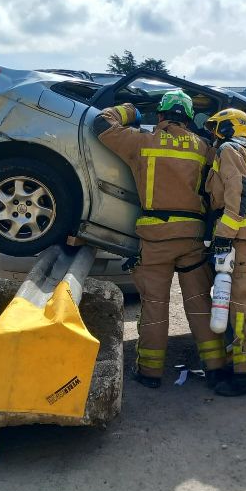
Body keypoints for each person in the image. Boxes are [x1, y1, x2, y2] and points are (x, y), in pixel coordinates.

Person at [93, 90, 225, 389]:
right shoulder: (203, 147)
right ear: (189, 119)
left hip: (156, 238)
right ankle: (216, 368)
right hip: (191, 238)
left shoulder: (142, 141)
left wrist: (132, 108)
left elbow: (101, 124)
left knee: (154, 305)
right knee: (199, 304)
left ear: (162, 115)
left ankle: (150, 373)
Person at [203, 108, 246, 396]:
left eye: (217, 128)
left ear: (230, 128)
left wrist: (224, 235)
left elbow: (238, 190)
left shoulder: (229, 149)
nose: (213, 134)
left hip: (240, 234)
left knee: (240, 307)